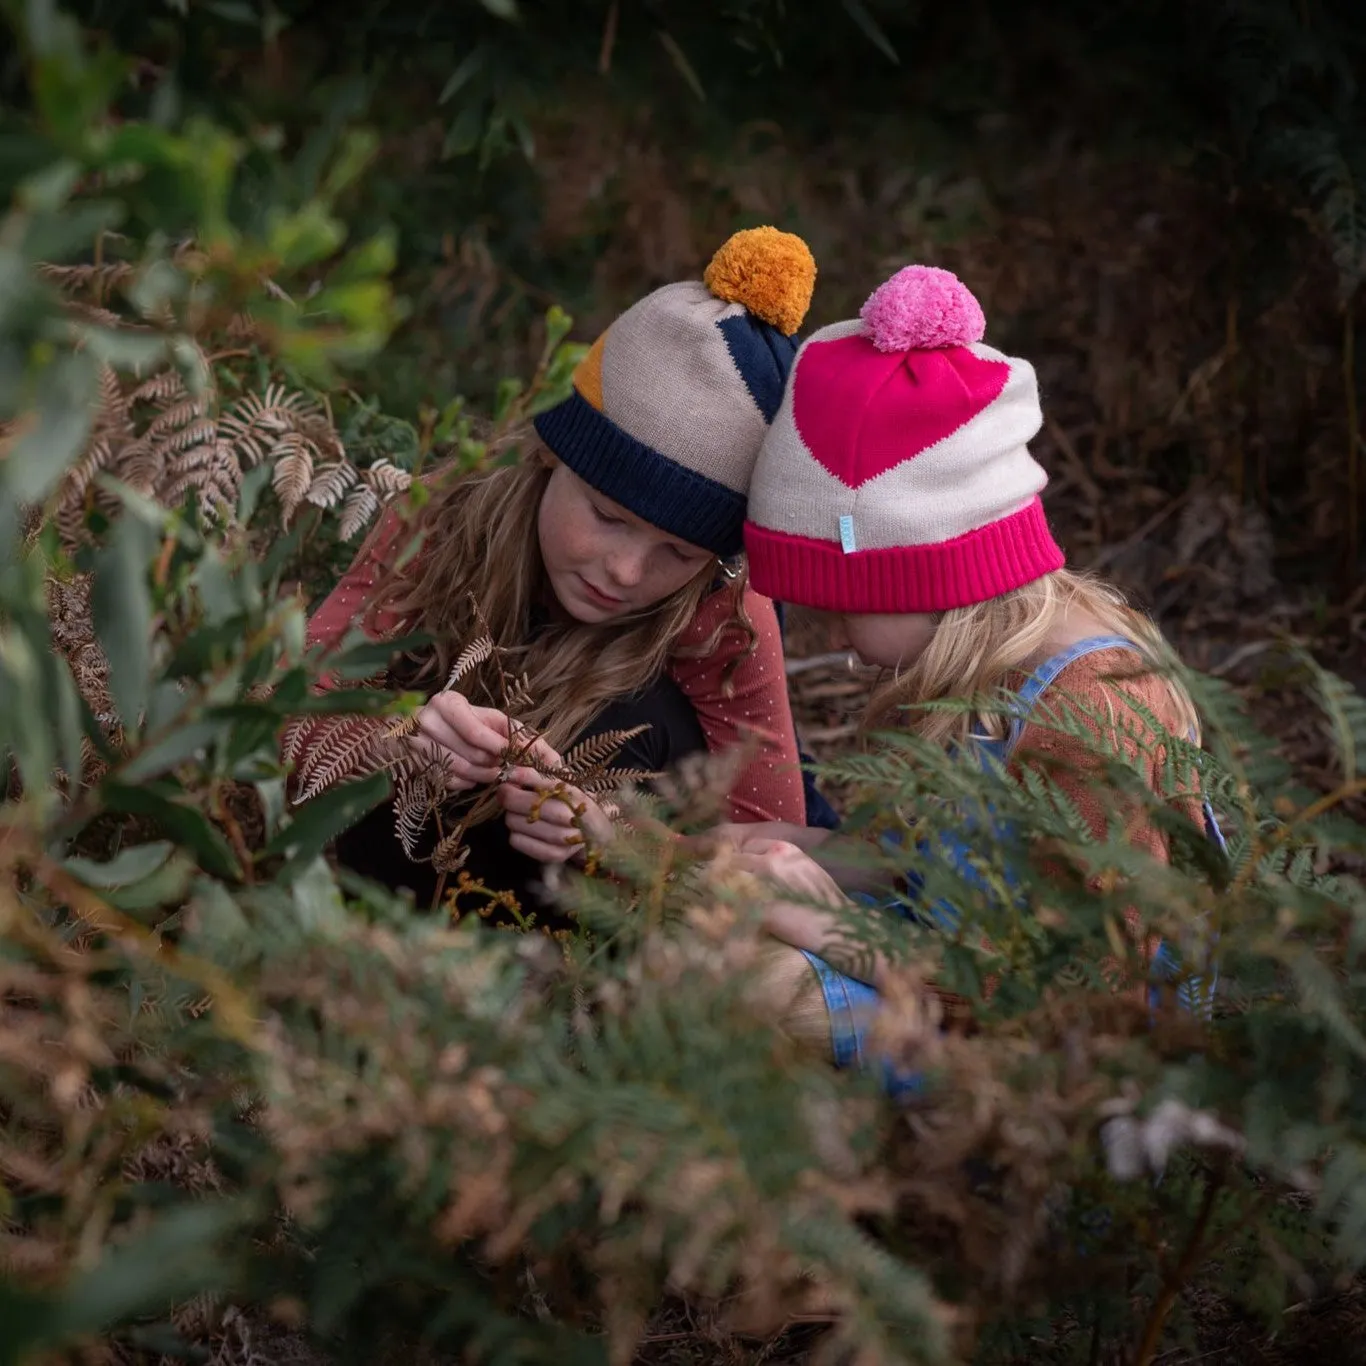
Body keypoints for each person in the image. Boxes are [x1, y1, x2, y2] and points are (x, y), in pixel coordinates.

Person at [723, 263, 1222, 1074]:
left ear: (917, 575)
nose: (836, 636)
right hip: (943, 969)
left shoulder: (1094, 712)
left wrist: (836, 929)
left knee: (750, 985)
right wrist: (776, 847)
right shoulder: (974, 671)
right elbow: (924, 865)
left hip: (1063, 1093)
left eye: (840, 601)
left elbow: (1078, 1001)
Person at [284, 227, 819, 926]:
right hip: (395, 876)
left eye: (678, 554)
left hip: (595, 928)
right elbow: (288, 704)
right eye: (607, 515)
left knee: (637, 719)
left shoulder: (725, 607)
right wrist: (396, 741)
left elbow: (770, 835)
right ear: (547, 458)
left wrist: (613, 837)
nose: (626, 571)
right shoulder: (448, 518)